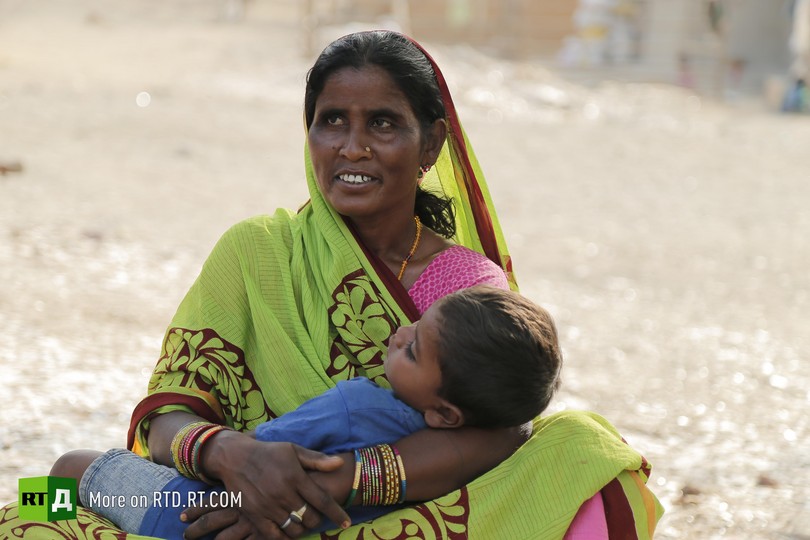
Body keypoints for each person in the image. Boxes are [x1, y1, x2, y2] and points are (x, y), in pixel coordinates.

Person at [0, 30, 662, 539]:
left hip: (351, 519)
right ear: (309, 132)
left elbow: (496, 434)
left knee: (581, 446)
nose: (352, 147)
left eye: (382, 123)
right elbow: (169, 414)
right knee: (36, 503)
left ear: (430, 145)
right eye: (331, 120)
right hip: (212, 496)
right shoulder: (257, 251)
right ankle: (37, 492)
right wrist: (230, 454)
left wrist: (336, 481)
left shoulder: (463, 285)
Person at [53, 286, 564, 538]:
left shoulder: (357, 405)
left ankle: (35, 514)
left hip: (201, 515)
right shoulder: (473, 447)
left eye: (413, 351)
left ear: (448, 413)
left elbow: (262, 449)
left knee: (71, 467)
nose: (401, 333)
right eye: (417, 321)